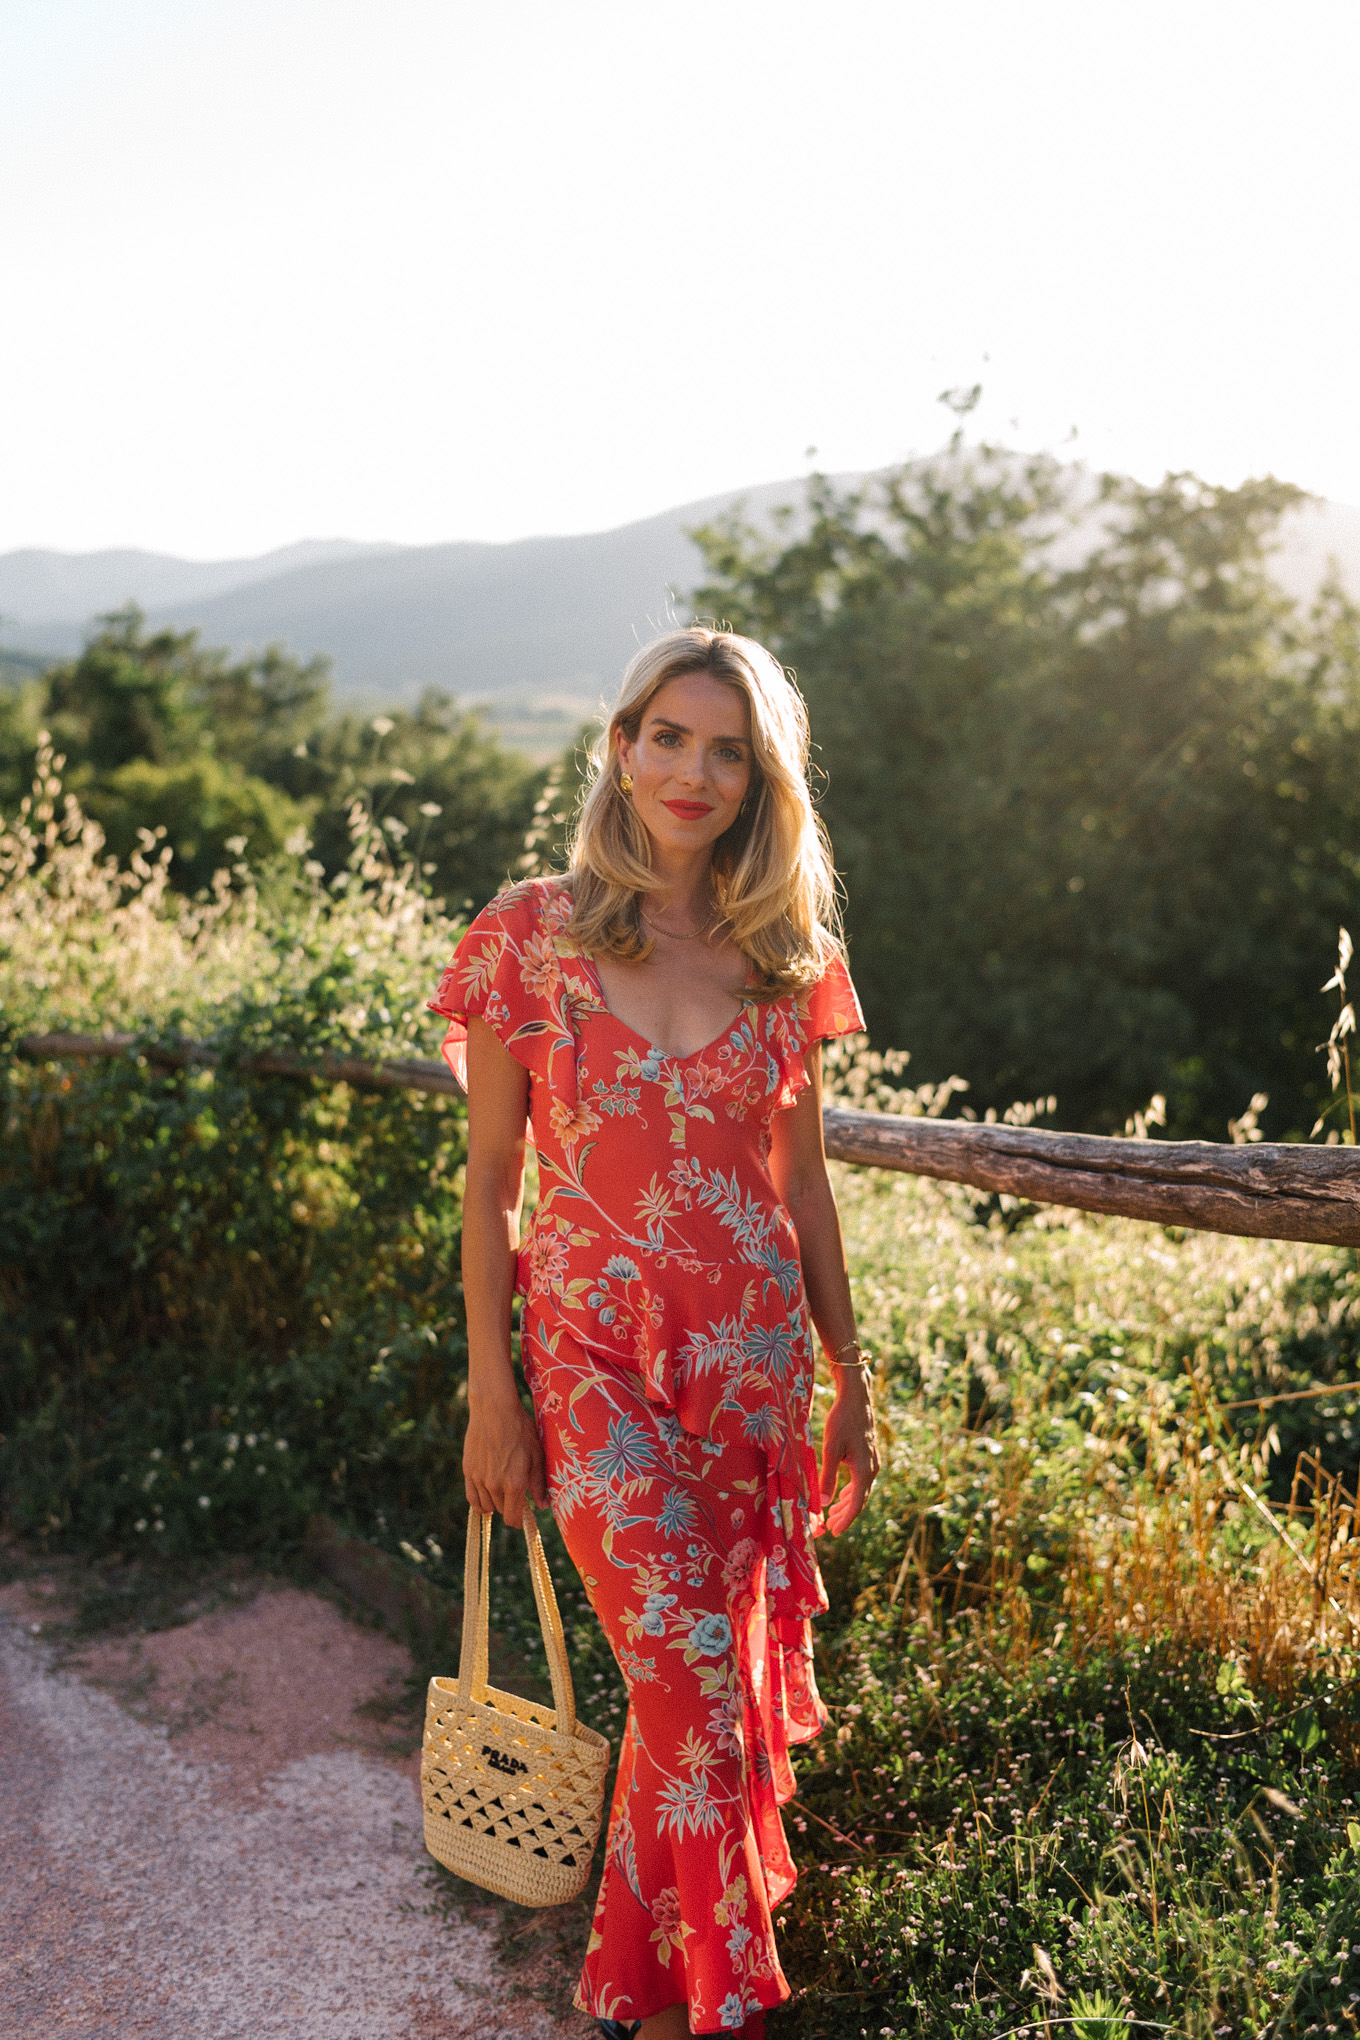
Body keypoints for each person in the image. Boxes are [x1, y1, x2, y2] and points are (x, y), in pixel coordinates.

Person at [428, 627, 878, 2039]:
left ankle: (638, 1980)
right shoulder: (526, 939)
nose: (694, 771)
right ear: (621, 746)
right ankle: (731, 2005)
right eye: (669, 737)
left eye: (728, 749)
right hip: (592, 1367)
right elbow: (492, 1183)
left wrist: (851, 1375)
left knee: (697, 1697)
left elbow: (800, 1182)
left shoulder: (783, 951)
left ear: (761, 780)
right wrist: (491, 1393)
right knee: (685, 1669)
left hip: (750, 1367)